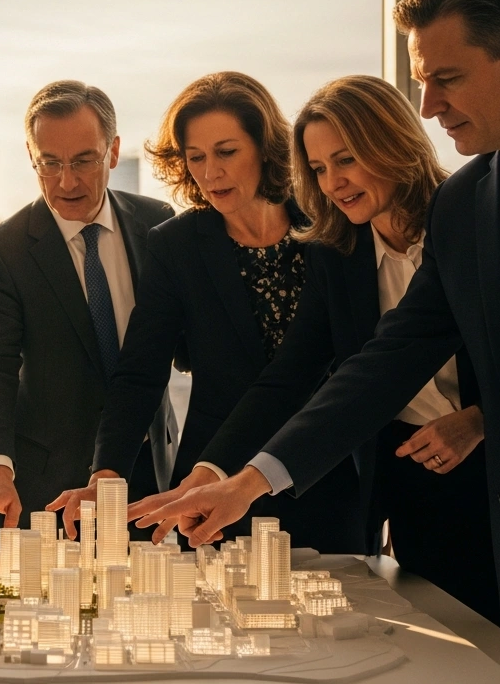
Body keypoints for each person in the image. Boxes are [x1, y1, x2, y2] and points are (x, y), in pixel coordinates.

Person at [133, 0, 500, 682]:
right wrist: (246, 481)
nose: (428, 103)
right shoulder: (471, 202)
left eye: (446, 78)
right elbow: (384, 363)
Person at [137, 75, 497, 619]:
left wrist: (480, 419)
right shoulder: (337, 249)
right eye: (320, 169)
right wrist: (224, 476)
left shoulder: (475, 217)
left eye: (346, 160)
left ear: (392, 144)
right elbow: (296, 375)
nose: (334, 183)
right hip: (411, 481)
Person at [49, 73, 366, 555]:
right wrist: (107, 476)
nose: (210, 172)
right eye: (195, 157)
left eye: (226, 152)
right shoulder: (175, 245)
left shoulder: (329, 226)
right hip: (208, 481)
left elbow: (322, 366)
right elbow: (140, 372)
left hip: (325, 471)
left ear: (264, 147)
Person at [0, 80, 179, 531]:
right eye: (50, 163)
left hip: (152, 474)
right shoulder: (2, 252)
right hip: (51, 490)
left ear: (113, 152)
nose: (67, 181)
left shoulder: (158, 225)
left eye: (83, 161)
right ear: (30, 156)